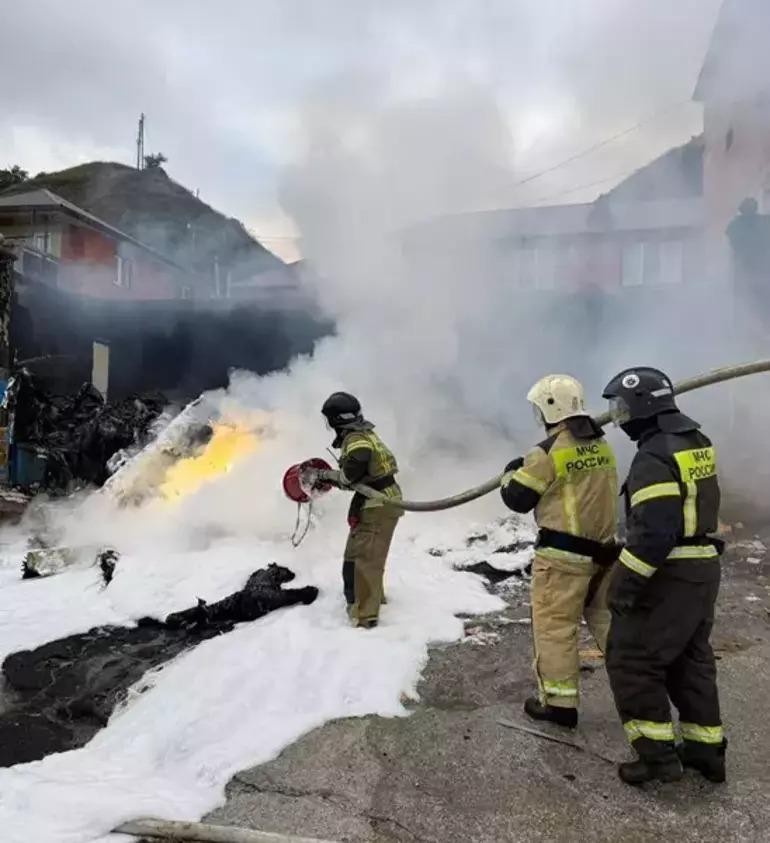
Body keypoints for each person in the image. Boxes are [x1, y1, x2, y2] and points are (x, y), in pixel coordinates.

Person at [602, 367, 725, 786]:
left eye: (621, 407)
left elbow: (654, 532)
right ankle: (706, 750)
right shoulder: (695, 441)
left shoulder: (654, 455)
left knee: (632, 659)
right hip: (702, 567)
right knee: (690, 660)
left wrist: (626, 582)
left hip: (670, 571)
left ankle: (656, 758)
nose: (619, 418)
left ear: (642, 405)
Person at [500, 374, 619, 728]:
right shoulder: (601, 445)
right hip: (605, 553)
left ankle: (559, 705)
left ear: (551, 408)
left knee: (555, 627)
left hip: (563, 560)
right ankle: (640, 686)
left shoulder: (547, 452)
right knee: (611, 623)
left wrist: (511, 473)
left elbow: (517, 499)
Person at [321, 392, 403, 629]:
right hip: (380, 500)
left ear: (336, 420)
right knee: (361, 555)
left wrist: (325, 476)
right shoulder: (364, 433)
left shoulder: (356, 439)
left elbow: (350, 474)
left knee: (364, 559)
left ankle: (365, 616)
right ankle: (368, 599)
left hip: (379, 503)